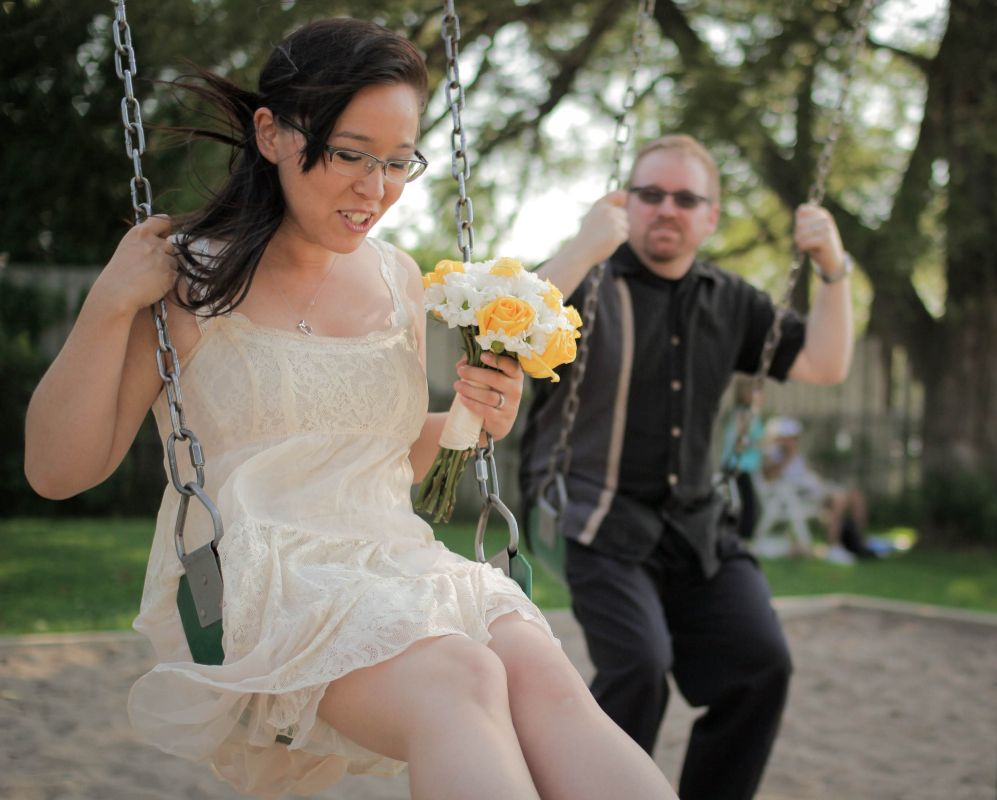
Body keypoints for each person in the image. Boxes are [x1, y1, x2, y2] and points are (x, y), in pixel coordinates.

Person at [24, 20, 677, 800]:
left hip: (398, 562)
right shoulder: (183, 282)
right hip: (269, 582)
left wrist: (472, 420)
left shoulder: (398, 278)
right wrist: (106, 306)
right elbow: (58, 471)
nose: (377, 190)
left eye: (399, 162)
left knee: (544, 676)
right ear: (270, 133)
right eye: (349, 153)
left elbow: (382, 453)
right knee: (461, 678)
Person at [520, 133, 855, 800]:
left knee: (762, 666)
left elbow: (825, 363)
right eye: (649, 194)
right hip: (595, 519)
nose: (665, 209)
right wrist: (586, 243)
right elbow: (506, 336)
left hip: (698, 529)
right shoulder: (584, 280)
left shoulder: (732, 300)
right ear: (625, 202)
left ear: (711, 216)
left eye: (684, 198)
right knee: (641, 668)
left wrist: (832, 269)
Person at [761, 416, 873, 563]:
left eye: (795, 438)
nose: (793, 441)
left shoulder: (798, 455)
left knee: (856, 495)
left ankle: (859, 541)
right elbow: (770, 477)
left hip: (815, 489)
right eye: (790, 438)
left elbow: (807, 474)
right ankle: (834, 546)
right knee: (838, 499)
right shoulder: (774, 455)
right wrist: (786, 456)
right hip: (798, 495)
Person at [720, 375, 767, 541]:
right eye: (756, 392)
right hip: (738, 466)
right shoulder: (743, 414)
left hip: (747, 467)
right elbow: (741, 440)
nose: (760, 396)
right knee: (745, 505)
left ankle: (743, 536)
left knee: (750, 504)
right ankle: (742, 536)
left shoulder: (751, 414)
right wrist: (763, 441)